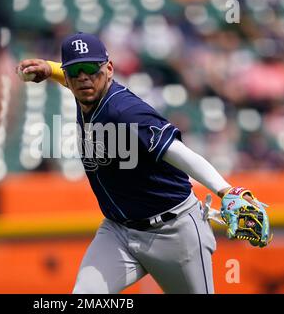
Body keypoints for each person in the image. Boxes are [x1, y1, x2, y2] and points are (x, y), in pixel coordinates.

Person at [16, 32, 270, 294]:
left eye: (92, 69)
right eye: (75, 71)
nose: (84, 78)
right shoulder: (86, 89)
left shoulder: (125, 112)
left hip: (174, 231)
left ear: (109, 70)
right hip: (118, 232)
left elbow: (180, 152)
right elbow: (78, 77)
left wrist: (225, 190)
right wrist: (50, 69)